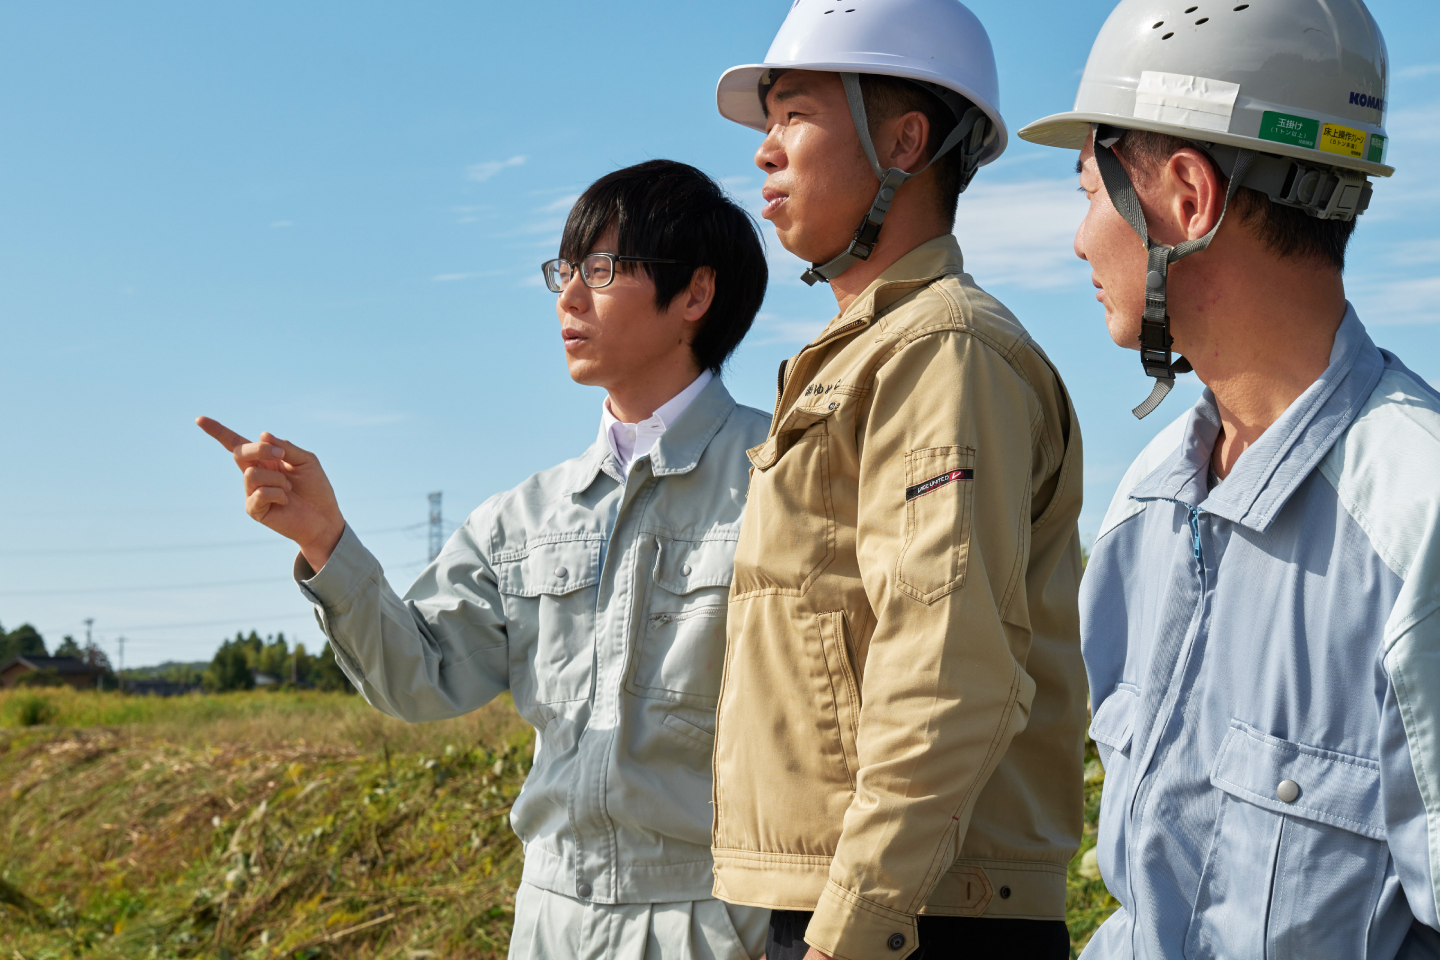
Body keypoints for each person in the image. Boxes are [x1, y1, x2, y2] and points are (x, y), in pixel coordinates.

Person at [196, 159, 775, 960]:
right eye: (563, 272)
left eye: (601, 270)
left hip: (717, 920)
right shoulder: (525, 518)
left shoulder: (786, 477)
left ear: (696, 294)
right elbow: (420, 678)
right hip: (550, 921)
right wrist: (325, 540)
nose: (569, 298)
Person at [1019, 0, 1440, 956]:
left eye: (1089, 191)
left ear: (1187, 197)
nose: (1081, 240)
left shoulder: (1418, 521)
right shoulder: (1149, 503)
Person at [708, 2, 1087, 958]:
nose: (765, 149)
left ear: (905, 142)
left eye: (795, 115)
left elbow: (945, 666)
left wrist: (852, 927)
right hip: (866, 902)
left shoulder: (941, 350)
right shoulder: (871, 350)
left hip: (914, 916)